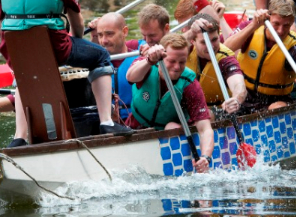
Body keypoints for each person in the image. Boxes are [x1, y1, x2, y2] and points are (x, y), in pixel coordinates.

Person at [0, 0, 133, 146]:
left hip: (14, 47)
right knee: (100, 57)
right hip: (53, 45)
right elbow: (76, 22)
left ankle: (19, 137)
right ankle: (107, 121)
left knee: (23, 73)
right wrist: (77, 38)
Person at [125, 33, 214, 173]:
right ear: (162, 56)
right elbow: (130, 77)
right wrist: (149, 60)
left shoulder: (189, 83)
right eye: (172, 61)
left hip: (169, 131)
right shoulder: (146, 63)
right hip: (138, 124)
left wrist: (205, 157)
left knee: (171, 126)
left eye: (182, 62)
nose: (177, 67)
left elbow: (205, 129)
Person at [224, 0, 296, 113]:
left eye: (286, 25)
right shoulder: (252, 27)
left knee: (277, 108)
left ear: (293, 22)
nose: (280, 31)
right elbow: (225, 49)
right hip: (243, 97)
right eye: (276, 24)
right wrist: (253, 26)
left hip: (273, 102)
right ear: (269, 17)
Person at [185, 13, 247, 118]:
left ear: (219, 36)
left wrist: (236, 99)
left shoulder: (226, 58)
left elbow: (239, 85)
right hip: (189, 108)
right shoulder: (185, 49)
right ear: (192, 41)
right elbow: (167, 47)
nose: (211, 47)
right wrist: (191, 32)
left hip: (220, 110)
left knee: (205, 114)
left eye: (214, 40)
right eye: (204, 42)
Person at [96, 12, 146, 120]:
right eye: (100, 35)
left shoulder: (141, 57)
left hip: (138, 121)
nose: (103, 41)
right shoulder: (94, 62)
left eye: (109, 34)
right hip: (109, 123)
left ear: (124, 32)